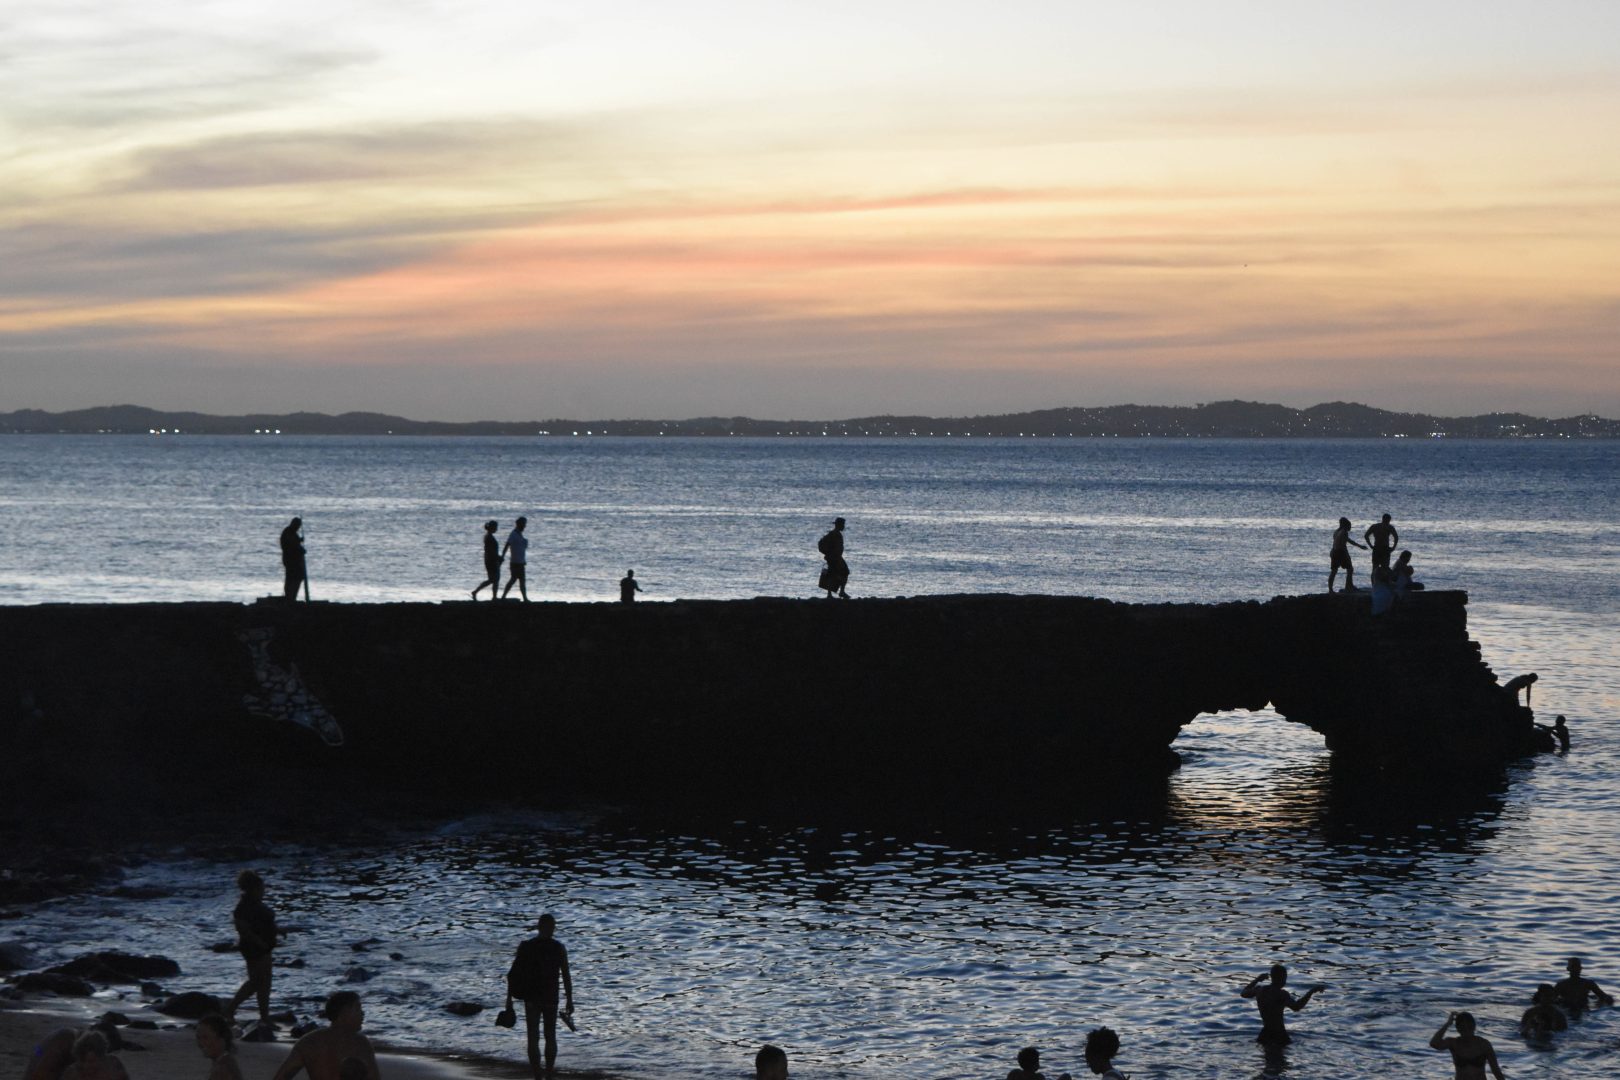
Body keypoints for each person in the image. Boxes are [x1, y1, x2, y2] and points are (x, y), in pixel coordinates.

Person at [505, 913, 575, 1079]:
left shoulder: (527, 946)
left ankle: (537, 1074)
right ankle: (549, 1074)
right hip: (551, 997)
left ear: (538, 927)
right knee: (550, 1036)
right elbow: (566, 975)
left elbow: (512, 974)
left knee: (533, 1036)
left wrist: (509, 1000)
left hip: (532, 997)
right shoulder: (558, 948)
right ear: (552, 928)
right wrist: (570, 999)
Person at [271, 991, 378, 1080]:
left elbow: (282, 1077)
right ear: (344, 1013)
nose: (362, 1014)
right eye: (358, 1009)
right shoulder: (360, 1043)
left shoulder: (309, 1041)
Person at [225, 869, 277, 1024]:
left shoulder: (254, 904)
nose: (263, 891)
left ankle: (264, 1017)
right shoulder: (243, 907)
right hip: (254, 948)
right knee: (257, 982)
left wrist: (277, 930)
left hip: (263, 946)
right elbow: (243, 929)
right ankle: (230, 1009)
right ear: (253, 889)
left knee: (263, 982)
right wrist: (259, 942)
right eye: (261, 889)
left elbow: (264, 924)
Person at [1241, 963, 1324, 1044]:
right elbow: (1297, 1007)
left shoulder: (1260, 990)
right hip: (1279, 1034)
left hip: (1265, 1033)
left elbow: (1243, 993)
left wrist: (1257, 980)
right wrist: (1311, 992)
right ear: (1283, 978)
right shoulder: (1282, 994)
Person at [1429, 1011, 1505, 1079]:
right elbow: (1434, 1043)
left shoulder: (1484, 1044)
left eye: (1469, 1027)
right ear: (1458, 1029)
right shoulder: (1454, 1043)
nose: (1466, 1030)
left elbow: (1496, 1071)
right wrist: (1448, 1024)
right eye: (1463, 1027)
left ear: (1474, 1027)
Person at [58, 1031, 129, 1080]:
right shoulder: (72, 1074)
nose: (89, 1065)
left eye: (93, 1061)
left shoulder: (114, 1065)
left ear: (102, 1057)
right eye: (85, 1061)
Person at [197, 1014, 245, 1080]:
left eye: (206, 1038)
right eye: (198, 1038)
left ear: (222, 1039)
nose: (200, 1043)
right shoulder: (227, 1062)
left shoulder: (222, 1068)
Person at [1328, 517, 1367, 592]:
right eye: (1349, 526)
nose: (1350, 528)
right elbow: (1343, 545)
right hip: (1340, 552)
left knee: (1334, 571)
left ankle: (1331, 589)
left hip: (1334, 551)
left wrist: (1360, 546)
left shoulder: (1336, 531)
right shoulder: (1344, 532)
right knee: (1350, 569)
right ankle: (1348, 586)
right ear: (1345, 525)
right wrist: (1347, 555)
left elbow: (1347, 541)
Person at [818, 517, 849, 599]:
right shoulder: (835, 534)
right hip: (834, 558)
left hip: (835, 557)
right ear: (839, 525)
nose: (843, 526)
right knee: (842, 572)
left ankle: (834, 593)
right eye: (842, 525)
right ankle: (838, 592)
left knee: (833, 574)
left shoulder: (834, 534)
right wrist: (832, 555)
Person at [471, 520, 504, 600]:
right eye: (495, 527)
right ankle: (479, 592)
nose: (496, 529)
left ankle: (493, 596)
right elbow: (490, 551)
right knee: (494, 579)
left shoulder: (489, 536)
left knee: (494, 579)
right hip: (491, 560)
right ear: (492, 528)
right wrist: (498, 557)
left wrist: (498, 557)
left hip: (491, 559)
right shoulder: (488, 537)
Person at [501, 517, 529, 602]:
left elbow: (521, 548)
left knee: (518, 580)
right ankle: (524, 598)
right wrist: (502, 556)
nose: (524, 526)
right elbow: (507, 545)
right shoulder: (513, 534)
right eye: (523, 524)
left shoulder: (520, 535)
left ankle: (524, 598)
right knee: (516, 580)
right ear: (519, 524)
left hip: (520, 561)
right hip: (515, 562)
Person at [280, 517, 306, 601]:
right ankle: (290, 597)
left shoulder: (291, 532)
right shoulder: (288, 532)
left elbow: (294, 543)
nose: (298, 528)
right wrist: (300, 550)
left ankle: (291, 597)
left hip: (292, 560)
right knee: (293, 578)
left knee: (295, 578)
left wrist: (299, 541)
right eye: (298, 526)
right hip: (291, 561)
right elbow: (291, 546)